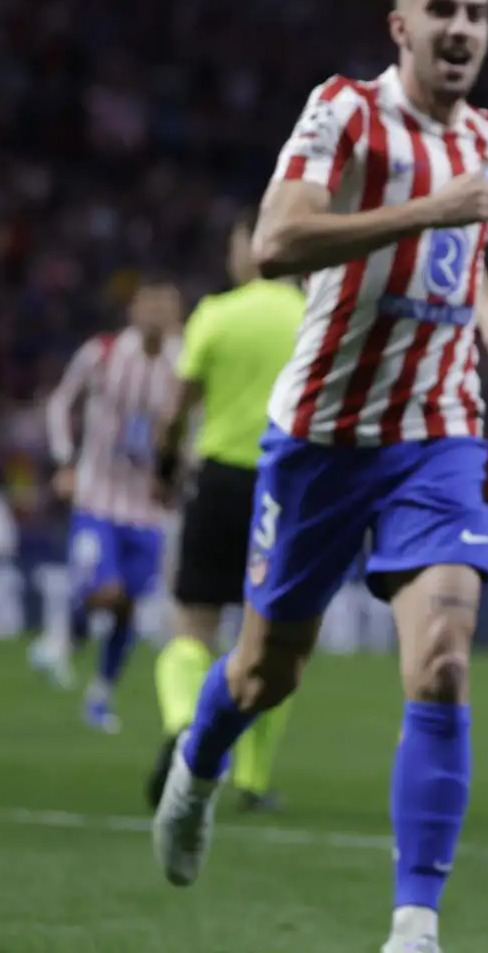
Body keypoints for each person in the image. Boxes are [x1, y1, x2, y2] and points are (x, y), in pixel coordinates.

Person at [150, 0, 488, 953]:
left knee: (445, 663)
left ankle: (415, 923)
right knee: (264, 673)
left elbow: (465, 250)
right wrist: (431, 209)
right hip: (323, 435)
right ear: (400, 28)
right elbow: (280, 244)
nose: (462, 29)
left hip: (440, 432)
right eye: (442, 11)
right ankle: (197, 770)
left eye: (477, 14)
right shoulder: (344, 112)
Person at [145, 213, 306, 813]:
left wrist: (164, 469)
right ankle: (253, 781)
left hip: (217, 483)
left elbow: (175, 411)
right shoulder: (312, 318)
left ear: (249, 248)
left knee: (193, 626)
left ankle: (186, 723)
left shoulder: (215, 314)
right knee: (274, 643)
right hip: (287, 487)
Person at [35, 281, 184, 732]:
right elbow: (60, 402)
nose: (158, 314)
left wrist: (174, 477)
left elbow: (191, 426)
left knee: (128, 608)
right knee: (107, 592)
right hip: (97, 498)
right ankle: (66, 634)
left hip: (146, 509)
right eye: (150, 304)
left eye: (167, 306)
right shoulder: (102, 353)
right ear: (134, 309)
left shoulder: (184, 363)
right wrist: (64, 460)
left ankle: (99, 695)